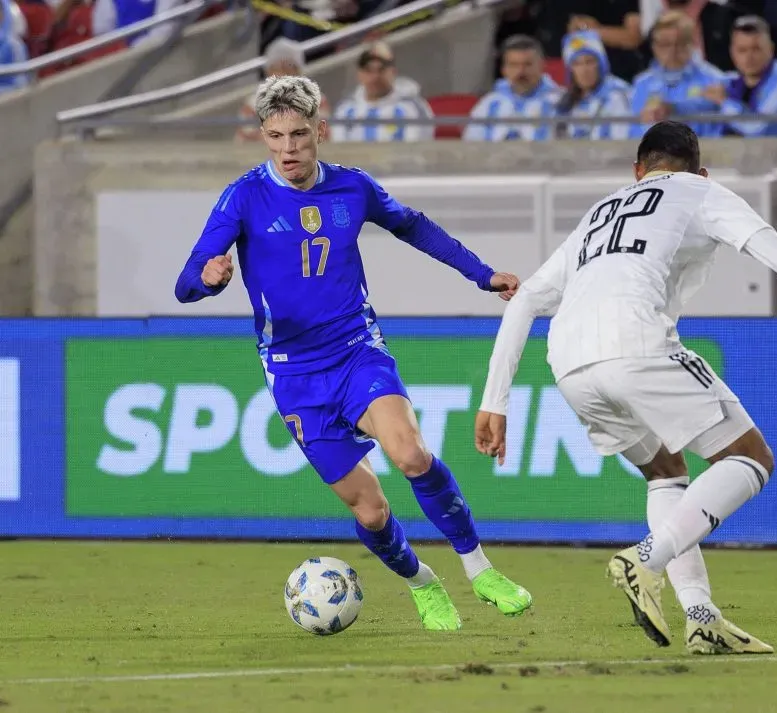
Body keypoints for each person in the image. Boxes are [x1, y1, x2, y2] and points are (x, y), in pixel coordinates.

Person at [474, 120, 777, 648]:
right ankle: (645, 560)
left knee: (665, 470)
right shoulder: (700, 191)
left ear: (638, 171)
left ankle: (701, 618)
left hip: (568, 362)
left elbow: (523, 301)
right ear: (701, 171)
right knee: (750, 459)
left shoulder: (597, 213)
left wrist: (495, 401)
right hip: (637, 345)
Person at [174, 75, 533, 632]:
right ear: (263, 136)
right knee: (370, 509)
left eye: (298, 134)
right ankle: (422, 584)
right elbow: (185, 282)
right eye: (276, 136)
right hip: (293, 374)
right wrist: (210, 276)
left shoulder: (353, 187)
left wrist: (481, 275)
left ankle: (480, 569)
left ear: (320, 130)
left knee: (410, 455)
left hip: (355, 349)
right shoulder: (243, 196)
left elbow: (414, 226)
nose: (288, 149)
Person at [704, 15, 777, 137]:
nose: (749, 57)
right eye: (742, 50)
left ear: (770, 49)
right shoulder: (727, 82)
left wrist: (725, 102)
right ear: (732, 52)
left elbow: (759, 128)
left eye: (756, 49)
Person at [629, 11, 727, 139]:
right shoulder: (641, 83)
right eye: (665, 44)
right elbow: (634, 129)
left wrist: (674, 109)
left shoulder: (714, 78)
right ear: (654, 46)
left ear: (692, 43)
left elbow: (718, 115)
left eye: (680, 43)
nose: (672, 51)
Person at [465, 34, 562, 142]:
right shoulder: (488, 104)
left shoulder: (561, 102)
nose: (521, 71)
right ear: (504, 69)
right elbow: (471, 145)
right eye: (514, 65)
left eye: (527, 64)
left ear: (542, 65)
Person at [330, 42, 434, 143]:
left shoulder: (413, 108)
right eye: (368, 70)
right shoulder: (345, 110)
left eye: (381, 69)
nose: (375, 76)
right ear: (359, 74)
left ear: (393, 71)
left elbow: (417, 151)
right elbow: (339, 149)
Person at [237, 38, 331, 144]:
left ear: (299, 71)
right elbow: (245, 141)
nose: (283, 73)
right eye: (277, 67)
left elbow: (323, 137)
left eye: (289, 66)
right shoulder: (253, 104)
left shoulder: (317, 101)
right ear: (268, 71)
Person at [554, 30, 633, 140]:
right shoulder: (566, 101)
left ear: (601, 64)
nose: (584, 70)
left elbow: (624, 140)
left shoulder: (619, 94)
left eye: (589, 62)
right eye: (577, 64)